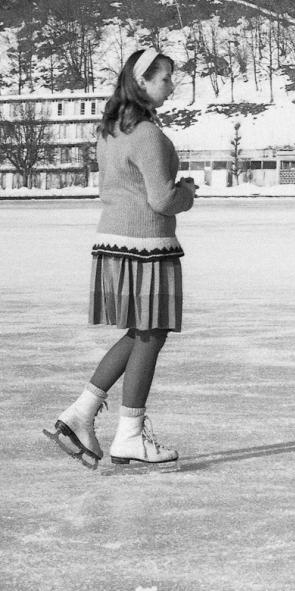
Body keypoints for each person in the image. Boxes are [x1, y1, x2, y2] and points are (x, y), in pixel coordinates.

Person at [46, 48, 195, 469]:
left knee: (139, 332)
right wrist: (188, 192)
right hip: (146, 245)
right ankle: (129, 433)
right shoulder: (146, 132)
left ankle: (80, 412)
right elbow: (162, 198)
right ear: (142, 81)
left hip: (114, 242)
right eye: (165, 78)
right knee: (151, 333)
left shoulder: (110, 128)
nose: (171, 85)